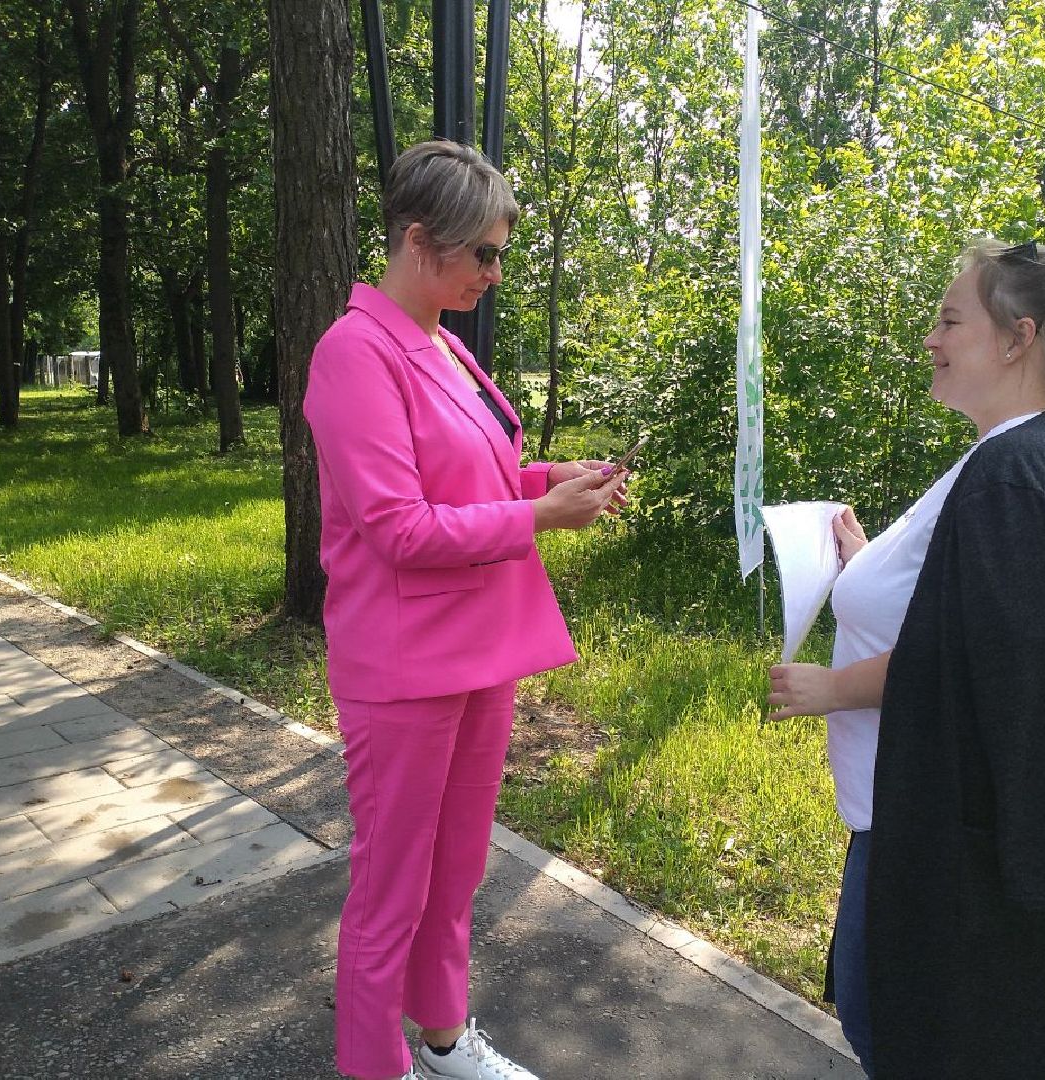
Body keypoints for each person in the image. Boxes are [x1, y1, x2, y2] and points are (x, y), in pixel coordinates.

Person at [304, 139, 627, 1080]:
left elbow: (468, 479)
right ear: (418, 241)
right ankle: (373, 1066)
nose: (495, 271)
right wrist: (537, 514)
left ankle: (443, 1040)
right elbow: (398, 526)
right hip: (404, 664)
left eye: (498, 253)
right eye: (482, 253)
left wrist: (546, 477)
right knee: (390, 891)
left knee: (456, 874)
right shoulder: (353, 351)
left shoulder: (439, 342)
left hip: (480, 647)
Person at [767, 237, 1045, 1078]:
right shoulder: (1036, 448)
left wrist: (829, 688)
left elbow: (973, 669)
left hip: (954, 850)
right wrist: (862, 570)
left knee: (899, 1025)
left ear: (1017, 339)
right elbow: (972, 615)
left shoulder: (1014, 475)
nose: (931, 338)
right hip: (948, 833)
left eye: (949, 319)